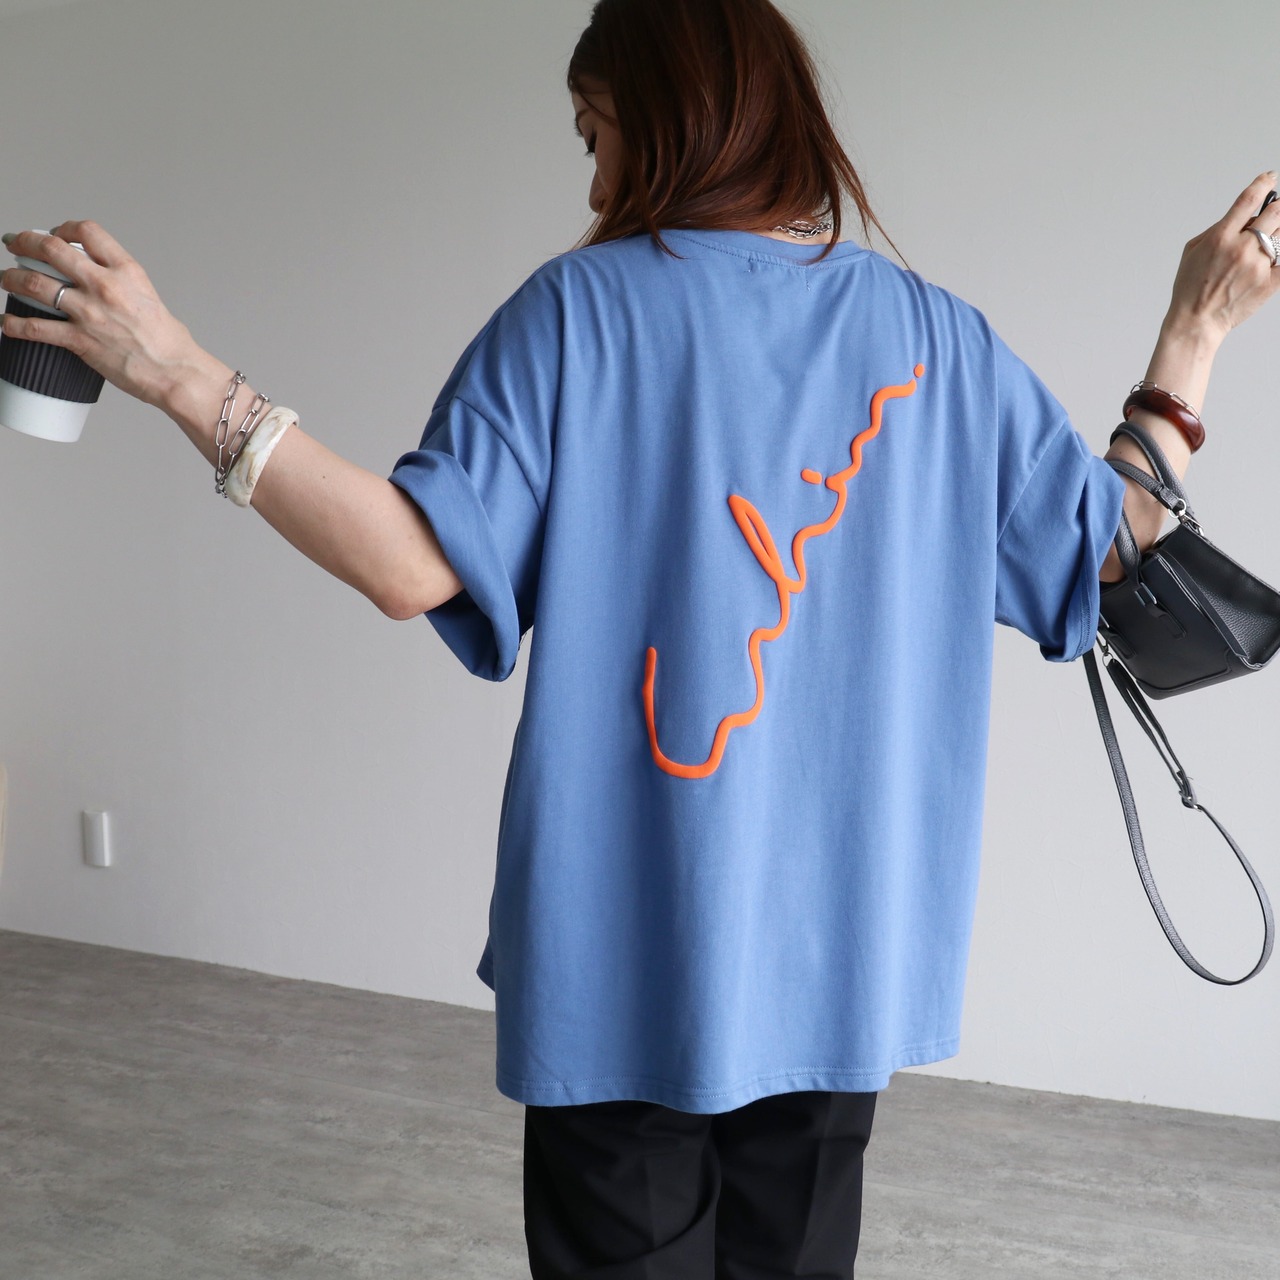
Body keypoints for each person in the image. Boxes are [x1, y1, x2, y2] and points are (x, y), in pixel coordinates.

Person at [4, 0, 1279, 1275]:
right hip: (840, 960)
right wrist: (1195, 327)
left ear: (673, 120)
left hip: (621, 956)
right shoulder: (938, 340)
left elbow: (409, 562)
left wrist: (179, 372)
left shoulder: (574, 316)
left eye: (594, 134)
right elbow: (1111, 541)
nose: (596, 178)